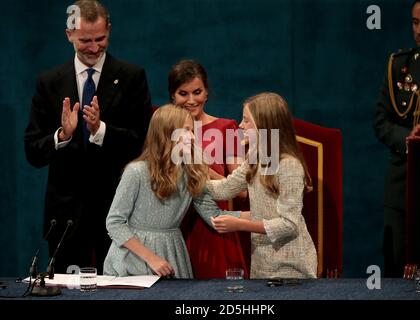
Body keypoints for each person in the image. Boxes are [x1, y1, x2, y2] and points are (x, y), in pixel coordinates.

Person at [24, 0, 152, 274]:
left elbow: (143, 143)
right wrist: (62, 135)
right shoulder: (49, 82)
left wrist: (100, 131)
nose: (94, 48)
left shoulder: (132, 77)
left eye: (100, 38)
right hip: (65, 217)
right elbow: (33, 151)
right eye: (85, 40)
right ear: (69, 34)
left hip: (119, 211)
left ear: (109, 30)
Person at [103, 104, 241, 278]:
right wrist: (151, 258)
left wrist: (259, 217)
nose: (191, 137)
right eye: (186, 131)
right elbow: (114, 222)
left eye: (192, 131)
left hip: (172, 252)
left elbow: (215, 216)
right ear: (166, 134)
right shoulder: (136, 171)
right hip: (133, 259)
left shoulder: (190, 173)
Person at [374, 0, 420, 277]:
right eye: (415, 22)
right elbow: (381, 121)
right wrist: (409, 138)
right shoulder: (399, 65)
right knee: (397, 264)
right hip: (403, 181)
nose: (419, 29)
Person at [207, 92, 318, 279]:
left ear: (264, 125)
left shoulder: (289, 165)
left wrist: (239, 224)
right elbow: (224, 188)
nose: (240, 126)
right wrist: (189, 175)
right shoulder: (256, 158)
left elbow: (289, 224)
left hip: (291, 265)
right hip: (262, 260)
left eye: (246, 121)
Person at [168, 59, 250, 279]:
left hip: (213, 229)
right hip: (172, 228)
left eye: (197, 92)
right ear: (172, 96)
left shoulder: (228, 128)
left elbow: (241, 191)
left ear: (206, 93)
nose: (191, 100)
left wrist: (201, 167)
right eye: (183, 94)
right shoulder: (163, 128)